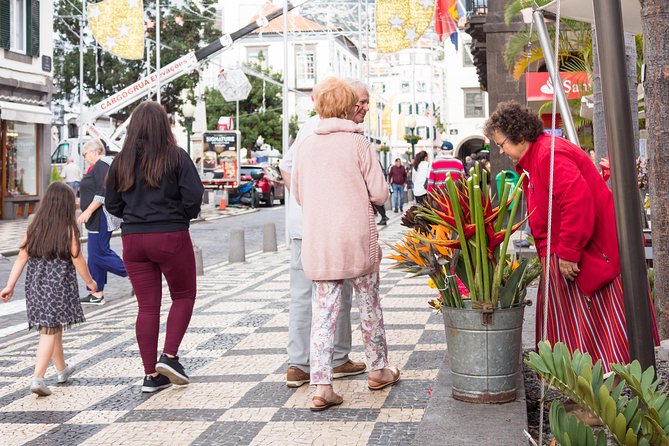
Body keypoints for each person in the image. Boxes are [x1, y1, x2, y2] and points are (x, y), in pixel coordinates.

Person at [483, 100, 659, 373]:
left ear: (517, 134)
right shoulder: (541, 154)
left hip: (584, 256)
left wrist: (568, 252)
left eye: (501, 142)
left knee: (592, 333)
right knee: (583, 332)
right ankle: (589, 394)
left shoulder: (547, 155)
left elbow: (577, 200)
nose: (501, 149)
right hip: (569, 252)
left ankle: (597, 397)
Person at [293, 77, 400, 411]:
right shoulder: (358, 143)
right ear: (348, 105)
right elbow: (381, 193)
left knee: (323, 313)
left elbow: (298, 194)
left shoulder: (307, 144)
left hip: (320, 241)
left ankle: (322, 386)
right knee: (369, 305)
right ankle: (378, 370)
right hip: (357, 240)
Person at [105, 101, 204, 393]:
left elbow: (111, 204)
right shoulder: (176, 156)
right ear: (164, 125)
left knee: (147, 306)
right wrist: (181, 215)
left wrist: (133, 218)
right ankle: (170, 357)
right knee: (184, 295)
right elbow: (194, 196)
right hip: (170, 234)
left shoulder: (120, 161)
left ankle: (150, 374)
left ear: (133, 127)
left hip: (133, 240)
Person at [279, 80, 370, 389]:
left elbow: (287, 166)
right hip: (321, 228)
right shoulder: (327, 131)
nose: (364, 108)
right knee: (332, 295)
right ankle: (323, 361)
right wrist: (314, 203)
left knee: (313, 295)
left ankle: (307, 363)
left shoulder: (313, 129)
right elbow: (287, 169)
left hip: (311, 227)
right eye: (361, 101)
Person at [1, 182, 96, 396]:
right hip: (58, 288)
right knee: (49, 331)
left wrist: (10, 285)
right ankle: (38, 378)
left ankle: (62, 370)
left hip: (35, 287)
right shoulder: (69, 228)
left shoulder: (34, 227)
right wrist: (90, 282)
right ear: (66, 205)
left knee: (54, 329)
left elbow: (22, 257)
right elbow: (78, 259)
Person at [77, 139, 127, 305]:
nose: (85, 158)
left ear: (94, 152)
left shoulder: (102, 165)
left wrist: (89, 211)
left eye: (85, 155)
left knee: (99, 254)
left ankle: (135, 272)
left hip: (100, 217)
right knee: (94, 255)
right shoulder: (103, 165)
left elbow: (103, 191)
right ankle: (96, 293)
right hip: (96, 218)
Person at [375, 161, 389, 225]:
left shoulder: (377, 171)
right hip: (382, 188)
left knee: (376, 203)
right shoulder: (382, 171)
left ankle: (384, 217)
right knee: (380, 204)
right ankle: (384, 218)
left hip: (377, 188)